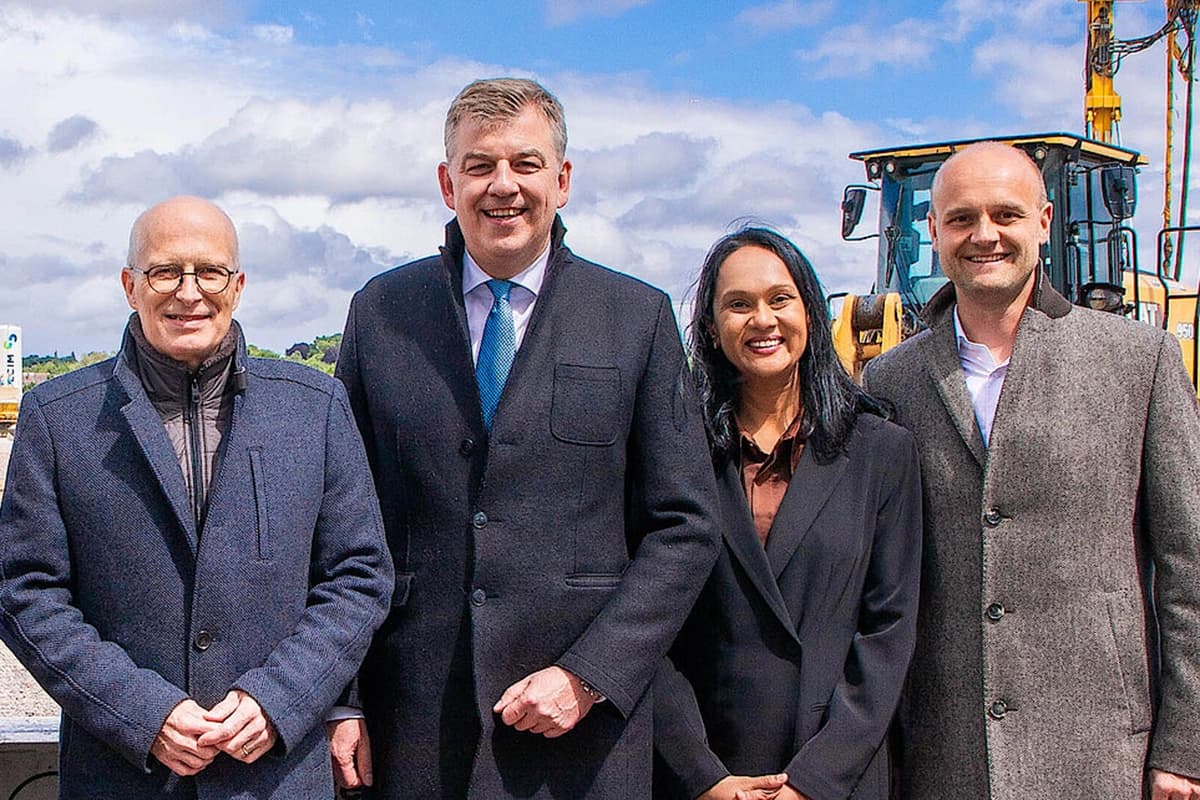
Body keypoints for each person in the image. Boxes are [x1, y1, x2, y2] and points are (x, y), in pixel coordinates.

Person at [328, 77, 720, 798]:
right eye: (479, 166)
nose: (501, 185)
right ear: (448, 184)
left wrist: (593, 673)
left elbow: (686, 526)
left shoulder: (635, 318)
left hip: (583, 733)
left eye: (525, 164)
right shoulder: (380, 313)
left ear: (562, 180)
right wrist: (343, 697)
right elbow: (346, 524)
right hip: (414, 722)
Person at [0, 196, 394, 799]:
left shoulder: (314, 408)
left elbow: (358, 576)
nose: (189, 292)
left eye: (209, 272)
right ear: (130, 285)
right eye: (165, 271)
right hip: (122, 775)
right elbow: (24, 591)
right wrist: (142, 713)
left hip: (276, 775)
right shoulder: (59, 418)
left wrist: (278, 698)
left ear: (237, 286)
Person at [862, 142, 1200, 799]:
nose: (983, 235)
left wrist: (1185, 749)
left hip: (1102, 758)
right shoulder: (892, 378)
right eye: (961, 219)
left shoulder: (1139, 361)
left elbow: (1189, 567)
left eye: (1005, 215)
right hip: (946, 760)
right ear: (933, 233)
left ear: (1044, 221)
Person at [653, 228, 922, 800]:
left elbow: (889, 628)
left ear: (811, 311)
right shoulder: (674, 452)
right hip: (711, 770)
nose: (763, 320)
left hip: (836, 773)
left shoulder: (881, 451)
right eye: (738, 304)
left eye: (780, 299)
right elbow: (650, 624)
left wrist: (815, 780)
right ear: (709, 328)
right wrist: (703, 776)